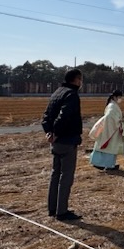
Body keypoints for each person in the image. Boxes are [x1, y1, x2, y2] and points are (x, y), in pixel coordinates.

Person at [40, 69, 83, 221]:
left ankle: (52, 208)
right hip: (67, 140)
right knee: (66, 177)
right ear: (76, 80)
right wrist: (56, 132)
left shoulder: (57, 92)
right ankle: (62, 211)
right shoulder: (71, 95)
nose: (81, 83)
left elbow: (46, 116)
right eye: (80, 80)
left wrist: (49, 132)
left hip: (56, 141)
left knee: (55, 174)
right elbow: (64, 116)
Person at [89, 90, 124, 171]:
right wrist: (118, 123)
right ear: (115, 97)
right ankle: (105, 164)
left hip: (111, 128)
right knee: (109, 147)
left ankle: (105, 164)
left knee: (107, 147)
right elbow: (109, 116)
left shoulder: (112, 105)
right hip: (110, 129)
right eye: (119, 97)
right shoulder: (112, 106)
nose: (120, 99)